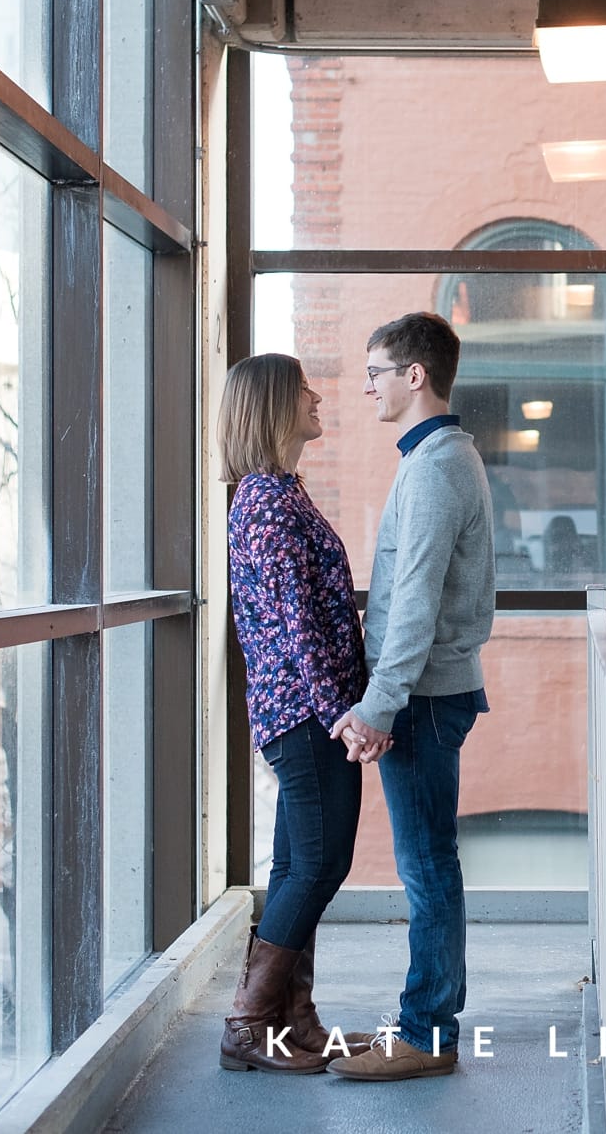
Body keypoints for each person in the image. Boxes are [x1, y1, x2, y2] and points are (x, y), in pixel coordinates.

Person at [326, 313, 496, 1082]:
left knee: (428, 865)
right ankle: (421, 1019)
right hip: (426, 694)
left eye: (376, 371)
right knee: (429, 861)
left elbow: (413, 600)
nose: (367, 386)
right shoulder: (440, 457)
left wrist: (377, 705)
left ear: (414, 375)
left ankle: (427, 1031)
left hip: (423, 698)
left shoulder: (434, 468)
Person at [215, 354, 377, 1075]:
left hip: (302, 711)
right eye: (303, 389)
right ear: (276, 406)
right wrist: (343, 712)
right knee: (320, 861)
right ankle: (248, 1025)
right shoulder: (269, 503)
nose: (317, 397)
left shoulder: (278, 492)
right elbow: (297, 626)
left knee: (293, 866)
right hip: (307, 715)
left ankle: (292, 1018)